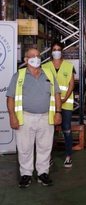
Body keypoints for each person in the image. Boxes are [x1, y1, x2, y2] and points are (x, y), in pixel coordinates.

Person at [6, 48, 62, 188]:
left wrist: (58, 112)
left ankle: (43, 173)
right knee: (25, 147)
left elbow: (56, 95)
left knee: (45, 147)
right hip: (25, 117)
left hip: (45, 117)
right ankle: (26, 174)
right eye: (32, 56)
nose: (36, 58)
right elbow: (10, 97)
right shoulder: (19, 75)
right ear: (25, 60)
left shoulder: (48, 74)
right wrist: (12, 116)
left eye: (38, 56)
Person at [42, 41, 75, 168]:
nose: (56, 51)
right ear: (51, 51)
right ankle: (48, 157)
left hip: (65, 104)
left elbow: (71, 84)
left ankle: (68, 156)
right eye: (54, 49)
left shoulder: (68, 65)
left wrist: (64, 99)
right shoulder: (45, 66)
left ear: (62, 51)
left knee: (66, 129)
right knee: (49, 131)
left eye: (58, 49)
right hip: (50, 105)